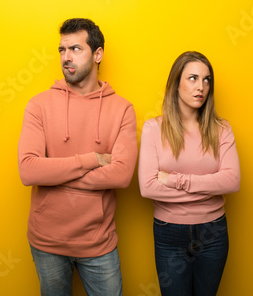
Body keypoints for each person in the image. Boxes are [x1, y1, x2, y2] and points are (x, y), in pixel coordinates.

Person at [18, 18, 137, 296]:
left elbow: (121, 176)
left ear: (98, 54)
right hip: (47, 243)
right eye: (61, 50)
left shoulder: (122, 109)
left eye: (75, 49)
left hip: (98, 243)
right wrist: (94, 159)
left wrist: (55, 176)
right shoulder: (39, 105)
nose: (66, 57)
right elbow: (28, 171)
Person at [138, 51, 240, 296]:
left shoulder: (221, 129)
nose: (201, 87)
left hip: (213, 232)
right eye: (193, 78)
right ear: (176, 84)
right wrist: (208, 191)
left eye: (206, 80)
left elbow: (232, 181)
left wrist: (175, 180)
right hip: (169, 233)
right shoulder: (154, 128)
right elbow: (148, 187)